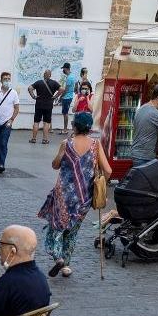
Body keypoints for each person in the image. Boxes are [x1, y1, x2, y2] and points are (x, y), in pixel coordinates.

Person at [38, 112, 110, 279]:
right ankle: (66, 266)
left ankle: (59, 258)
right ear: (89, 128)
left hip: (63, 194)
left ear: (74, 126)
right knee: (72, 232)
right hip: (84, 197)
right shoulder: (96, 145)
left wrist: (62, 156)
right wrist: (99, 183)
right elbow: (108, 170)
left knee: (57, 228)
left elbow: (55, 165)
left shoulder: (66, 143)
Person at [0, 72, 19, 174]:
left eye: (8, 79)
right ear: (1, 80)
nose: (7, 81)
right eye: (5, 79)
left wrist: (11, 120)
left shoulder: (13, 93)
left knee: (3, 142)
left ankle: (2, 164)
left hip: (7, 123)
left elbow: (16, 108)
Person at [28, 69, 60, 145]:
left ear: (44, 75)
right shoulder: (54, 83)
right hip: (48, 105)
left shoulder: (39, 82)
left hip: (39, 104)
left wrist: (33, 96)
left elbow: (30, 88)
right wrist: (55, 96)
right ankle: (45, 140)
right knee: (46, 123)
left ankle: (34, 139)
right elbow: (62, 89)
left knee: (36, 122)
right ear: (50, 75)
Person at [56, 63, 76, 136]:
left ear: (66, 68)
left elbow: (66, 90)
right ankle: (65, 128)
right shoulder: (72, 76)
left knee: (65, 113)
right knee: (65, 113)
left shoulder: (69, 78)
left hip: (67, 98)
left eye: (63, 69)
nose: (63, 70)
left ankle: (65, 129)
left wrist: (60, 98)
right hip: (69, 97)